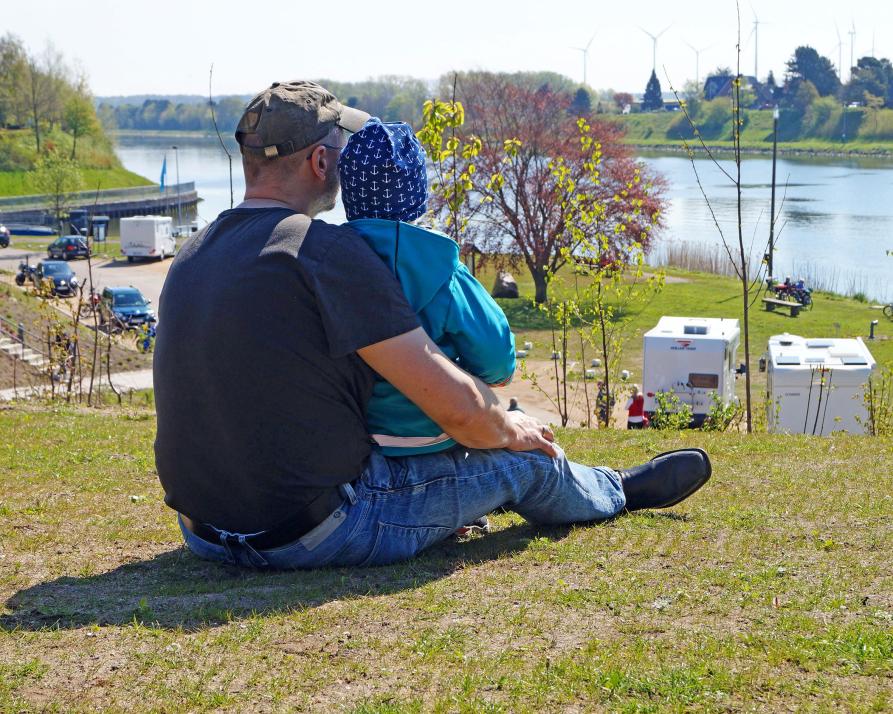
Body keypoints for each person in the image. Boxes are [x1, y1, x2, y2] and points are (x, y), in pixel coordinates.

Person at [153, 80, 711, 570]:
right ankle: (613, 490)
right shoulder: (323, 252)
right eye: (340, 150)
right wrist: (514, 432)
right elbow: (460, 411)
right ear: (322, 164)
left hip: (204, 531)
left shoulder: (193, 251)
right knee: (517, 458)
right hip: (313, 533)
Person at [339, 117, 515, 456]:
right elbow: (496, 358)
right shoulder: (443, 271)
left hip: (356, 438)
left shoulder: (328, 261)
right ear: (418, 191)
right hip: (437, 435)